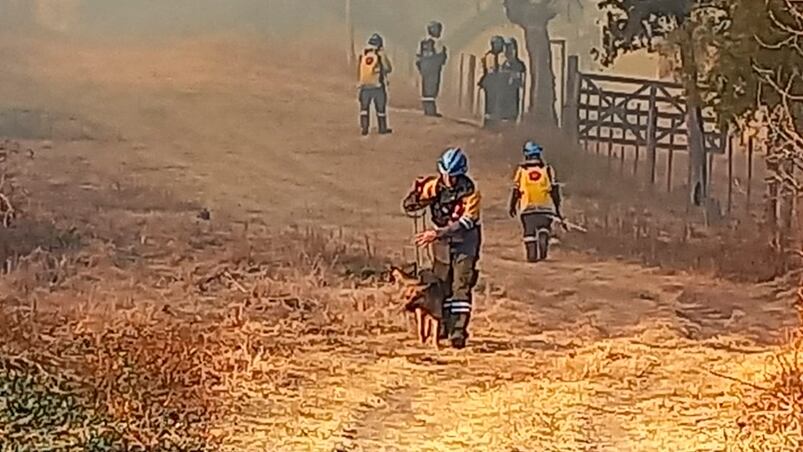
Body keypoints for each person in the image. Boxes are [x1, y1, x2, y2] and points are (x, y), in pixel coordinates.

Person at [402, 147, 481, 349]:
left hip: (465, 242)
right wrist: (416, 197)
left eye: (453, 176)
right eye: (446, 175)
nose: (449, 180)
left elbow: (466, 222)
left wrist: (437, 233)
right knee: (442, 285)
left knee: (461, 286)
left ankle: (458, 332)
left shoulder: (471, 192)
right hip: (441, 244)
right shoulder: (434, 185)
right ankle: (443, 327)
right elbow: (411, 204)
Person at [508, 141, 563, 262]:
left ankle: (532, 255)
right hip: (546, 207)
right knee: (544, 226)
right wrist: (558, 209)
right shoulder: (548, 170)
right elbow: (554, 190)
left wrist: (512, 206)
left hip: (528, 207)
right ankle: (544, 233)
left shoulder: (521, 171)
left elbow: (516, 190)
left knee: (529, 232)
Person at [358, 33, 393, 136]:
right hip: (377, 85)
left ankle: (364, 128)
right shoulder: (379, 54)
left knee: (364, 108)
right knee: (380, 108)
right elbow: (388, 68)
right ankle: (382, 128)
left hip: (364, 85)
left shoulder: (363, 54)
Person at [416, 21, 447, 117]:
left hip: (424, 67)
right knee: (433, 88)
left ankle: (427, 109)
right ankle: (431, 111)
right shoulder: (438, 42)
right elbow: (441, 55)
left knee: (425, 87)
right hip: (433, 67)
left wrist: (421, 67)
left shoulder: (422, 42)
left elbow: (418, 56)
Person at [479, 36, 507, 129]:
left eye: (500, 44)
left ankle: (495, 123)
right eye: (497, 44)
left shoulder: (502, 56)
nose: (499, 46)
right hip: (491, 81)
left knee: (497, 102)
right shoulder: (489, 55)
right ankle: (489, 123)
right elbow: (490, 69)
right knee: (490, 102)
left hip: (498, 82)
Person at [501, 37, 527, 123]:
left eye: (510, 49)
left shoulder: (519, 65)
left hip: (514, 98)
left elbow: (521, 82)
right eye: (506, 49)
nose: (508, 52)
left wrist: (513, 77)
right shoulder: (504, 64)